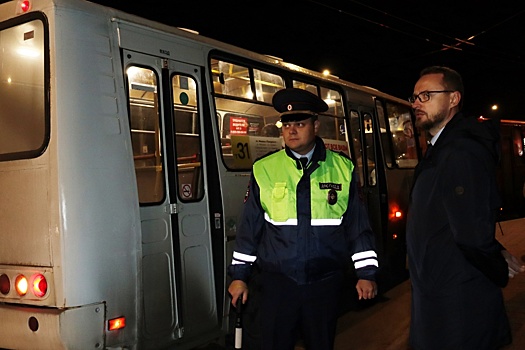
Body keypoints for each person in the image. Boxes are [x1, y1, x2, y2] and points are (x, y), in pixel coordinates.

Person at [227, 87, 379, 350]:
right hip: (278, 285)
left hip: (324, 285)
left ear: (316, 125)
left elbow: (357, 227)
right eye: (286, 125)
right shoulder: (264, 168)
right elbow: (250, 230)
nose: (292, 130)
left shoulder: (343, 168)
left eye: (300, 123)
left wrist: (366, 274)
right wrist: (239, 277)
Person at [407, 66, 525, 349]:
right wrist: (496, 250)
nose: (416, 104)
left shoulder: (461, 151)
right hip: (440, 293)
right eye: (414, 97)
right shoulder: (442, 147)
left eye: (426, 95)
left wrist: (496, 267)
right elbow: (455, 217)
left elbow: (470, 232)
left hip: (457, 302)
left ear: (453, 99)